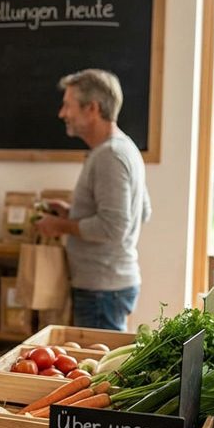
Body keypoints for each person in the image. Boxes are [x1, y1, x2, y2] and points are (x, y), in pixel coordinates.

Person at [35, 69, 151, 332]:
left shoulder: (109, 156)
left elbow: (113, 227)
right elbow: (141, 211)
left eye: (68, 105)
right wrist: (73, 213)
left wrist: (61, 226)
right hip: (110, 287)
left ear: (92, 109)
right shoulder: (124, 148)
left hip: (102, 290)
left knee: (100, 372)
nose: (62, 113)